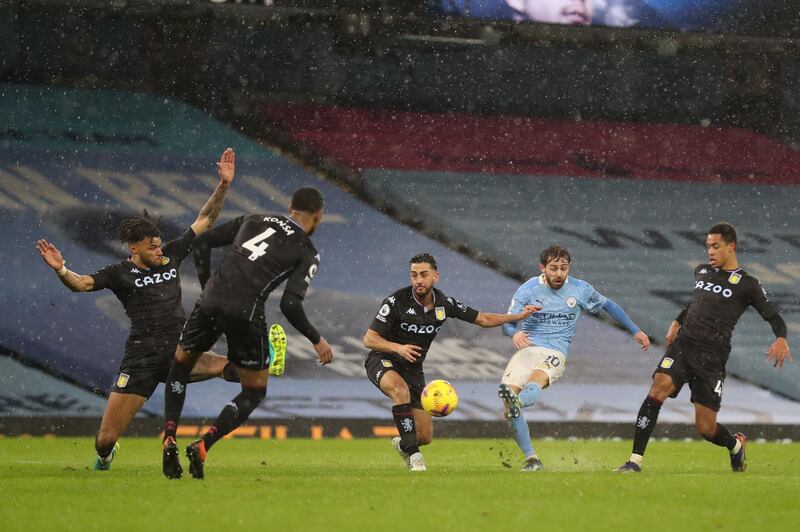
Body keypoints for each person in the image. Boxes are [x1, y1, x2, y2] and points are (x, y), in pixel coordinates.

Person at [35, 148, 268, 471]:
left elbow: (206, 219)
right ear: (134, 249)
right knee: (104, 438)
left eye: (159, 244)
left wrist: (224, 185)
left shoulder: (172, 255)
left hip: (180, 350)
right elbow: (82, 284)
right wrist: (61, 269)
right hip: (141, 359)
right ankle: (106, 456)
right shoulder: (119, 273)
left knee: (237, 368)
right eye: (152, 247)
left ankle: (267, 362)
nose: (159, 250)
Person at [161, 186, 333, 479]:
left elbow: (201, 243)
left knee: (180, 366)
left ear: (290, 206)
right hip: (246, 311)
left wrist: (207, 287)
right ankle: (204, 444)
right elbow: (291, 304)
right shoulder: (307, 250)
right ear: (318, 215)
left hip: (210, 301)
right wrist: (317, 339)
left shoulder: (252, 219)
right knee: (254, 390)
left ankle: (169, 438)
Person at [615, 222, 792, 473]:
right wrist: (678, 321)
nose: (710, 251)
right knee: (658, 387)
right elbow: (697, 302)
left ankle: (734, 445)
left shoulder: (747, 284)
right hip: (684, 346)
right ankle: (635, 461)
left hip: (712, 357)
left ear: (731, 247)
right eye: (708, 246)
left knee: (706, 428)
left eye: (716, 246)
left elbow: (772, 315)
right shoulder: (702, 272)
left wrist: (781, 338)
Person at [363, 253, 539, 471]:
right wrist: (398, 347)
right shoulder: (396, 302)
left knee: (425, 436)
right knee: (400, 391)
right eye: (414, 275)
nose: (418, 280)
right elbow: (369, 339)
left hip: (413, 369)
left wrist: (517, 317)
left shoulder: (444, 304)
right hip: (383, 359)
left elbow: (482, 319)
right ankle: (415, 458)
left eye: (423, 275)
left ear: (435, 277)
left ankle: (404, 444)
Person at [499, 244, 650, 471]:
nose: (559, 273)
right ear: (542, 268)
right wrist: (515, 333)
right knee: (506, 404)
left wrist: (635, 330)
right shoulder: (527, 290)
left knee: (535, 382)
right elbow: (507, 325)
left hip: (555, 352)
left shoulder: (579, 289)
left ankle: (517, 403)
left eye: (563, 268)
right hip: (527, 350)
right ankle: (532, 458)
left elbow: (609, 305)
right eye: (553, 268)